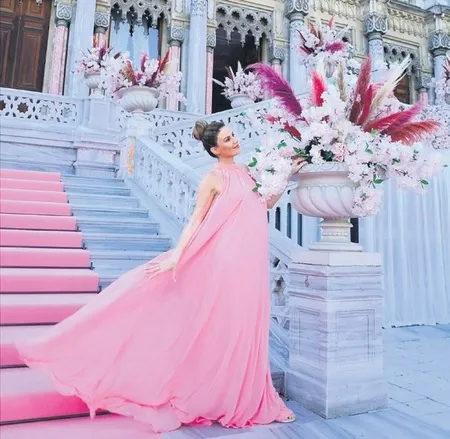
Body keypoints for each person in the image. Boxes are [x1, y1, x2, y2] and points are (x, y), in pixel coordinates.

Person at [17, 120, 306, 433]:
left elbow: (264, 203)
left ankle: (247, 397)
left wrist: (286, 176)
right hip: (226, 260)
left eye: (233, 136)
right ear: (214, 149)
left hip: (251, 261)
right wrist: (177, 256)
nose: (235, 141)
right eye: (227, 139)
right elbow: (195, 221)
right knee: (229, 327)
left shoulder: (246, 172)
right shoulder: (212, 178)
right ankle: (225, 398)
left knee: (248, 326)